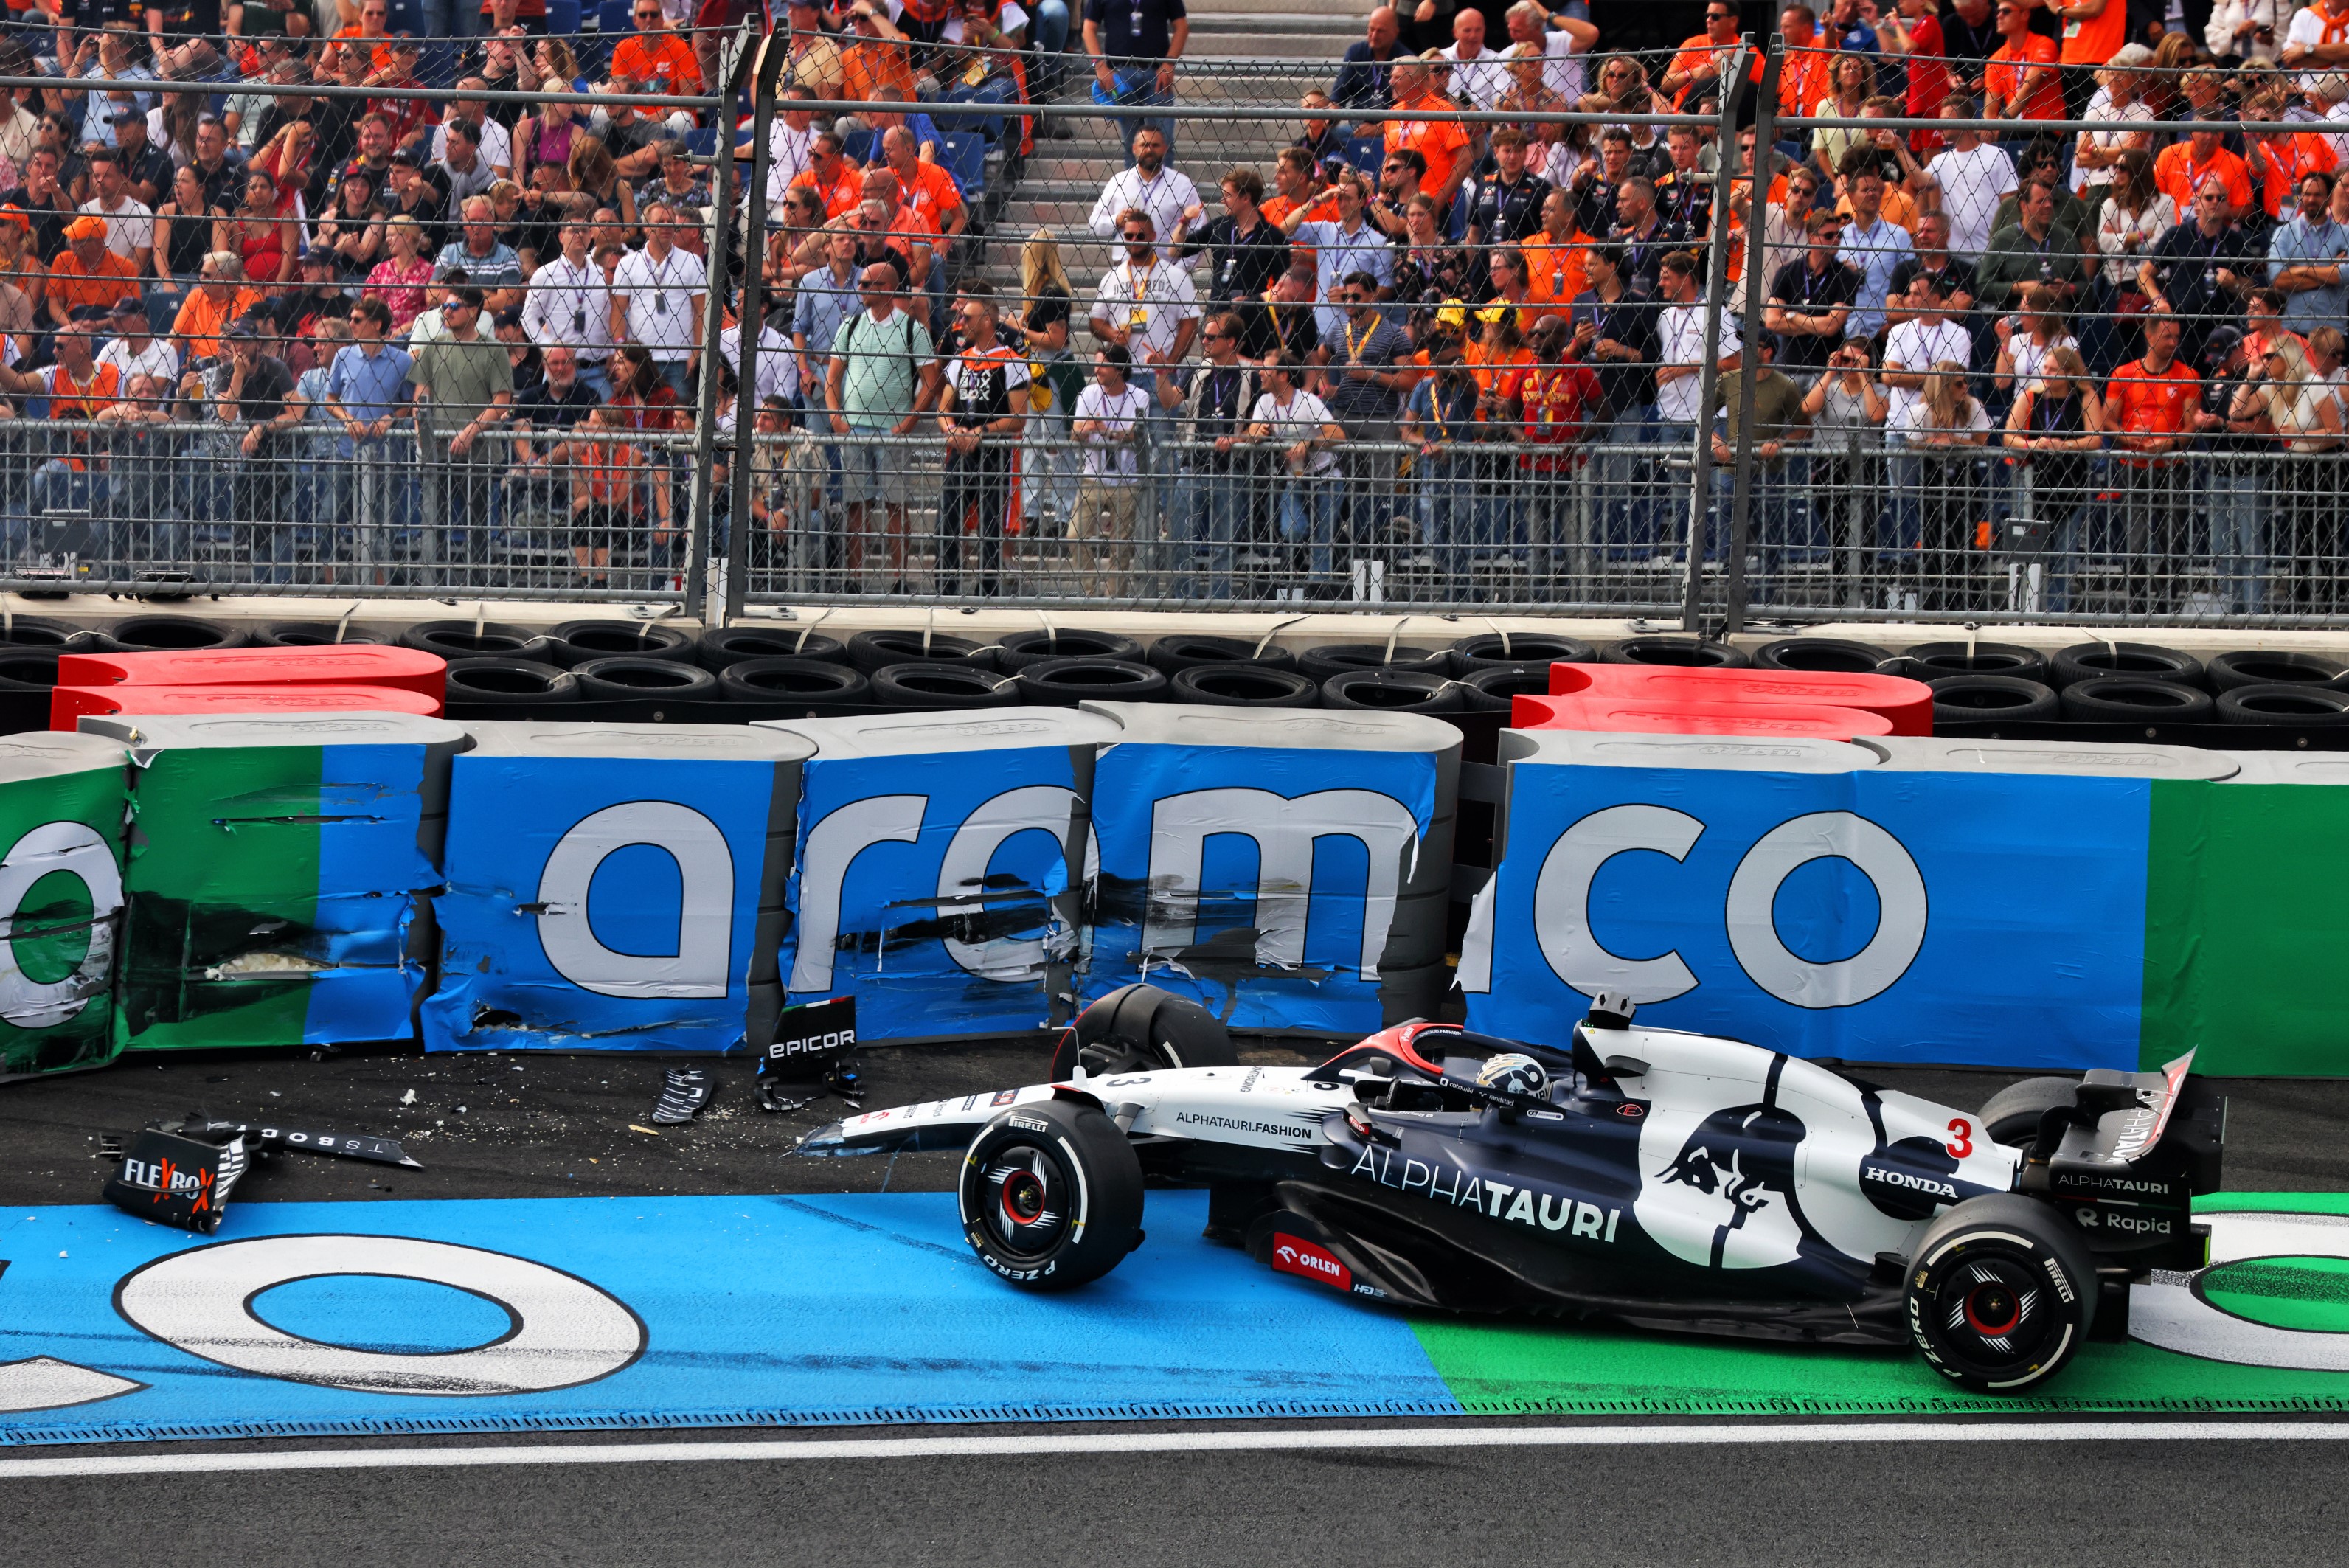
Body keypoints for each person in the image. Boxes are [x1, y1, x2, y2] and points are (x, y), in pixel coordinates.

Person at [826, 261, 941, 594]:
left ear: (885, 288)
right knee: (855, 506)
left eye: (865, 284)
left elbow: (931, 383)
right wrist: (836, 414)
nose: (859, 290)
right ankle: (854, 578)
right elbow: (833, 376)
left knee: (895, 505)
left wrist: (908, 422)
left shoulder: (912, 330)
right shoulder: (851, 326)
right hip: (856, 429)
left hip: (892, 432)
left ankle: (898, 579)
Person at [408, 282, 513, 572]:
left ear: (473, 310)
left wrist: (471, 430)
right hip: (438, 450)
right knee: (435, 522)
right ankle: (436, 582)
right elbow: (421, 393)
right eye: (445, 306)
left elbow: (502, 400)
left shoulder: (493, 350)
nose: (447, 312)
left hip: (478, 452)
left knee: (477, 524)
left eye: (454, 307)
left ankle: (477, 585)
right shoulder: (433, 347)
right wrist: (422, 434)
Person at [1159, 309, 1263, 600]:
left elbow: (1260, 425)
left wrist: (1238, 438)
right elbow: (1170, 402)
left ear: (1231, 342)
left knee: (1224, 545)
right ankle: (1184, 600)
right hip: (1193, 465)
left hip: (1230, 470)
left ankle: (1219, 603)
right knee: (1182, 541)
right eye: (1203, 335)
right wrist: (1160, 375)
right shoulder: (1196, 371)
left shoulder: (1250, 378)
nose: (1204, 341)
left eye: (1211, 337)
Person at [934, 284, 1027, 597]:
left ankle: (988, 588)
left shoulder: (1012, 361)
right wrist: (952, 430)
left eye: (968, 317)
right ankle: (946, 588)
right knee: (947, 520)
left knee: (990, 524)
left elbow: (1018, 417)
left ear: (987, 320)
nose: (961, 323)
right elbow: (943, 408)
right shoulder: (960, 359)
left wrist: (981, 433)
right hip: (960, 449)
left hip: (993, 451)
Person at [2104, 313, 2200, 611]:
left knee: (2174, 539)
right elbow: (2107, 421)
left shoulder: (2187, 376)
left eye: (2176, 337)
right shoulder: (2123, 375)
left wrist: (2168, 443)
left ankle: (2168, 605)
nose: (2174, 343)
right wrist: (2130, 440)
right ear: (2150, 336)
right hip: (2133, 466)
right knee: (2136, 540)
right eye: (2167, 336)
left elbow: (2191, 426)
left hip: (2173, 467)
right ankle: (2136, 603)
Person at [1241, 349, 1345, 599]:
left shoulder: (1308, 401)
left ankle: (1317, 596)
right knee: (1292, 529)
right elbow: (1249, 433)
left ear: (1283, 375)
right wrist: (1255, 433)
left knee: (1323, 540)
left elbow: (1338, 434)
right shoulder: (1265, 402)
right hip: (1295, 478)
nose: (1260, 373)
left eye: (1266, 369)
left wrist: (1309, 443)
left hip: (1325, 476)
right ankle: (1297, 570)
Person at [322, 294, 412, 574]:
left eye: (357, 319)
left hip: (387, 453)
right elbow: (330, 400)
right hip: (347, 450)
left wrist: (389, 418)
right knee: (330, 516)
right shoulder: (343, 355)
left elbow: (409, 405)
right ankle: (328, 582)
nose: (351, 323)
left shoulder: (402, 361)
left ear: (376, 324)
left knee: (386, 519)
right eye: (352, 319)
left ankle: (382, 581)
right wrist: (347, 419)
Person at [2138, 176, 2260, 363]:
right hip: (2181, 330)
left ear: (2227, 205)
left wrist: (2235, 284)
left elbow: (2250, 288)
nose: (2215, 202)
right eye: (2209, 198)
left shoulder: (2236, 241)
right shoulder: (2177, 235)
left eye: (2221, 198)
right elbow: (2145, 274)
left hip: (2221, 329)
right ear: (2197, 204)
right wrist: (2157, 300)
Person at [1087, 207, 1199, 408]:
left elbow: (1190, 323)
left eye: (1140, 236)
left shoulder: (1175, 276)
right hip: (1121, 374)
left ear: (1154, 236)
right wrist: (1112, 334)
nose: (1134, 241)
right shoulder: (1112, 277)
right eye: (1129, 236)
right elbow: (1095, 321)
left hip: (1157, 375)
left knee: (1160, 439)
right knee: (1121, 438)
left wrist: (1170, 363)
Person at [1069, 344, 1151, 595]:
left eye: (1103, 364)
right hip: (1092, 477)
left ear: (1119, 368)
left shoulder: (1140, 397)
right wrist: (1089, 429)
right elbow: (1076, 433)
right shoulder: (1088, 393)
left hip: (1126, 480)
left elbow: (1136, 434)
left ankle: (1116, 597)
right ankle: (1091, 593)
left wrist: (1104, 430)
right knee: (1075, 535)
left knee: (1121, 545)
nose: (1097, 369)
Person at [608, 199, 704, 399]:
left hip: (679, 359)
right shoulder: (628, 264)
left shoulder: (692, 262)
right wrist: (621, 349)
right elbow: (618, 312)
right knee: (640, 418)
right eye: (661, 222)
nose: (667, 227)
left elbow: (701, 311)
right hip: (639, 361)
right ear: (646, 228)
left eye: (671, 222)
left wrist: (695, 354)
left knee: (677, 422)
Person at [1083, 0, 1187, 159]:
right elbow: (1088, 29)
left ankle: (1164, 185)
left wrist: (1169, 62)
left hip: (1156, 75)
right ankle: (1133, 184)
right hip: (1120, 76)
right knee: (1132, 147)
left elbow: (1182, 27)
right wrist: (1100, 66)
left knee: (1163, 145)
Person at [1765, 208, 1857, 386]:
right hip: (1789, 365)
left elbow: (1831, 327)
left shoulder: (1846, 276)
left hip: (1826, 368)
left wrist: (1792, 316)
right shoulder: (1788, 272)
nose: (1836, 241)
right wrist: (1818, 325)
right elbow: (1771, 321)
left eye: (1839, 236)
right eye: (1829, 236)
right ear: (1812, 237)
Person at [1087, 126, 1201, 266]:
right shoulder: (1119, 182)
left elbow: (1199, 231)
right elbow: (1094, 224)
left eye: (1155, 145)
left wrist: (1179, 271)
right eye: (1144, 145)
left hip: (1166, 271)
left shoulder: (1182, 185)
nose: (1149, 150)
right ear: (1134, 149)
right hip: (1124, 272)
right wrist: (1116, 220)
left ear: (1165, 149)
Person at [1920, 103, 2018, 261]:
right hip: (1953, 257)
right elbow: (1920, 182)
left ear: (1965, 121)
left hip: (1992, 253)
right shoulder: (1940, 161)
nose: (1940, 124)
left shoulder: (1997, 156)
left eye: (1946, 119)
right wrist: (1899, 148)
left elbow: (2010, 206)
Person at [1837, 167, 1915, 339]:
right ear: (1851, 197)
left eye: (1875, 190)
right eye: (1866, 190)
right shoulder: (1839, 237)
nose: (1872, 194)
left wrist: (1893, 325)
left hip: (1885, 331)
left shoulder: (1899, 235)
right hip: (1844, 330)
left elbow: (1910, 285)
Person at [2268, 170, 2349, 333]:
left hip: (2332, 331)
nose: (2311, 200)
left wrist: (2300, 269)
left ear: (2329, 198)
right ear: (2300, 196)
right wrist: (2330, 271)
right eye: (2307, 194)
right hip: (2292, 329)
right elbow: (2278, 280)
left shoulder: (2345, 234)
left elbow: (2345, 275)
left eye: (2318, 195)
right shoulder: (2283, 233)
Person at [1334, 5, 1404, 111]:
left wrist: (1379, 127)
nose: (1374, 35)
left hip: (1392, 124)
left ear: (1395, 32)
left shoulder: (1405, 59)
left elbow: (1408, 104)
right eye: (1371, 29)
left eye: (1380, 31)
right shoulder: (1355, 52)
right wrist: (1328, 117)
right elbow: (1339, 96)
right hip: (1357, 124)